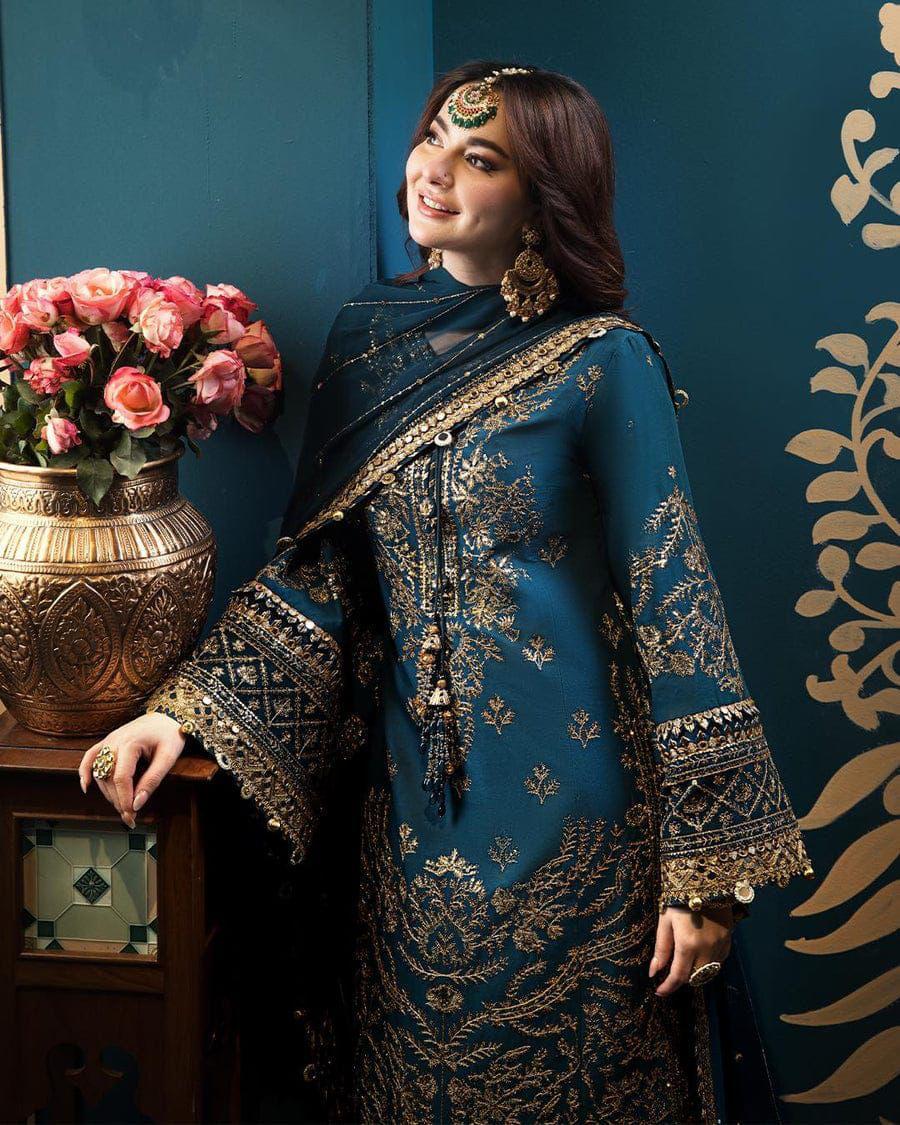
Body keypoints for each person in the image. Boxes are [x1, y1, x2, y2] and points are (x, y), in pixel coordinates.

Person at [79, 60, 815, 1123]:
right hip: (410, 829)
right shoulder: (370, 343)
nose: (436, 171)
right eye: (434, 139)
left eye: (483, 159)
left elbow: (676, 601)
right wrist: (177, 712)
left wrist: (706, 879)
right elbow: (323, 576)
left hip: (583, 826)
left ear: (543, 198)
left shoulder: (602, 362)